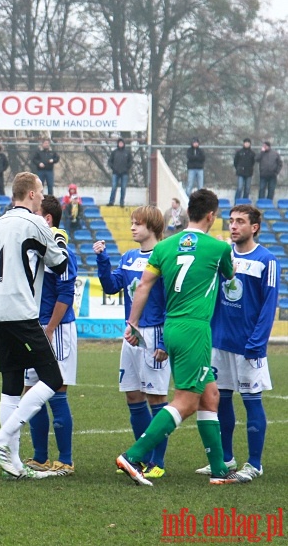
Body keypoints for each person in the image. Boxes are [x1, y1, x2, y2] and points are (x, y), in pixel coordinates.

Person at [116, 189, 251, 486]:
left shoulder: (164, 248)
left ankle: (218, 470)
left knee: (210, 395)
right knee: (187, 401)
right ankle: (134, 454)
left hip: (171, 327)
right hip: (195, 329)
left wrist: (133, 323)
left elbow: (143, 287)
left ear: (189, 212)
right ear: (211, 216)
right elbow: (230, 278)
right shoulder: (218, 249)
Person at [0, 172, 69, 479]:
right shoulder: (35, 224)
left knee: (12, 384)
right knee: (52, 377)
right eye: (40, 192)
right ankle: (2, 438)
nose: (43, 197)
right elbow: (60, 263)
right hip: (21, 311)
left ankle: (13, 465)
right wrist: (57, 239)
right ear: (30, 194)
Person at [94, 205, 171, 478]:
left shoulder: (165, 256)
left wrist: (163, 340)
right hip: (131, 334)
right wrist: (103, 259)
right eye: (131, 223)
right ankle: (138, 458)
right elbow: (112, 286)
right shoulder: (127, 257)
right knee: (133, 396)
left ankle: (157, 463)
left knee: (156, 397)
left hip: (154, 333)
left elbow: (170, 301)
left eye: (138, 223)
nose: (132, 227)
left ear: (152, 227)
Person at [204, 204, 277, 481]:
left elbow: (269, 306)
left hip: (248, 345)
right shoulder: (222, 255)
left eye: (240, 222)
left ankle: (254, 464)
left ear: (254, 227)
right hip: (219, 341)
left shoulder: (266, 260)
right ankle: (225, 459)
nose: (233, 226)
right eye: (231, 221)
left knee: (251, 401)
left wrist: (257, 342)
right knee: (220, 400)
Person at [22, 195, 79, 477]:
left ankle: (66, 460)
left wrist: (50, 328)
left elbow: (66, 293)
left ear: (46, 219)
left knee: (57, 391)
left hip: (55, 329)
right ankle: (40, 457)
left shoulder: (61, 249)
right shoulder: (36, 248)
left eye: (34, 214)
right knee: (30, 391)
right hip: (35, 327)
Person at [107, 138, 133, 207]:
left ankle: (122, 202)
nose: (120, 144)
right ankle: (111, 202)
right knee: (114, 187)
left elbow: (131, 161)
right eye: (119, 143)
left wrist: (126, 168)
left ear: (124, 144)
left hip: (124, 173)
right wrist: (113, 168)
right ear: (118, 144)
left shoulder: (127, 152)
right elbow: (109, 162)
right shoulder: (114, 152)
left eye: (122, 143)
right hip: (115, 173)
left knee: (123, 188)